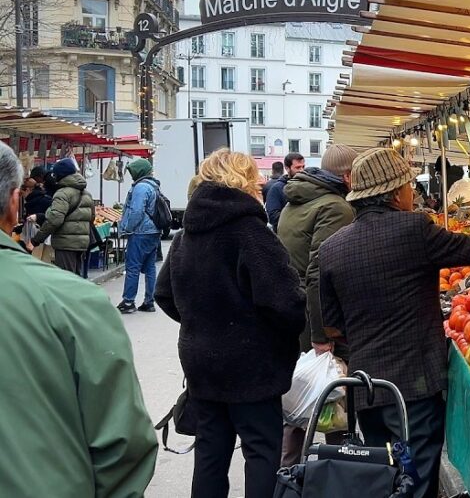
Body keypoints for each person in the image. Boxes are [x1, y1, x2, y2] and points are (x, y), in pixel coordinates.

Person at [316, 148, 470, 498]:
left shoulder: (331, 247)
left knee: (383, 479)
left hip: (367, 389)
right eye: (408, 186)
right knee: (416, 482)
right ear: (393, 193)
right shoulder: (414, 229)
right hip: (414, 388)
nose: (411, 194)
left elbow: (333, 327)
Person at [0, 142, 159, 496]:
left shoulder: (68, 196)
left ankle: (137, 298)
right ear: (14, 202)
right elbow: (123, 447)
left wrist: (39, 236)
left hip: (71, 246)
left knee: (135, 269)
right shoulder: (74, 303)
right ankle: (142, 299)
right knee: (141, 270)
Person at [156, 149, 306, 498]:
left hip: (202, 364)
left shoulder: (186, 234)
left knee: (211, 450)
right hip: (251, 367)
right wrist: (265, 333)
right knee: (261, 449)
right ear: (244, 178)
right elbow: (285, 302)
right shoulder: (250, 231)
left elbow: (164, 294)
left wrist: (200, 322)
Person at [275, 144, 357, 466]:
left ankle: (289, 471)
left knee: (303, 396)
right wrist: (322, 334)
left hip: (295, 312)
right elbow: (318, 273)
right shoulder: (336, 207)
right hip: (318, 318)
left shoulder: (297, 199)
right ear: (349, 175)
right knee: (332, 396)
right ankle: (333, 469)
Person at [29, 157, 94, 275]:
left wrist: (36, 240)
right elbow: (91, 218)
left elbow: (54, 220)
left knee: (67, 281)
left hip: (66, 244)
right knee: (76, 279)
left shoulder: (62, 194)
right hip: (82, 244)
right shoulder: (86, 194)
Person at [117, 159, 163, 314]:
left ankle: (129, 301)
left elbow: (137, 211)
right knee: (150, 267)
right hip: (153, 231)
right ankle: (149, 301)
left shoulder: (140, 187)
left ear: (139, 172)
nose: (131, 175)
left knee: (133, 267)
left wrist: (127, 227)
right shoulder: (153, 186)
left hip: (140, 232)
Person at [265, 152, 306, 229]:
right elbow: (273, 216)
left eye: (303, 167)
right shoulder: (277, 188)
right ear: (287, 168)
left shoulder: (307, 185)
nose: (302, 170)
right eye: (298, 167)